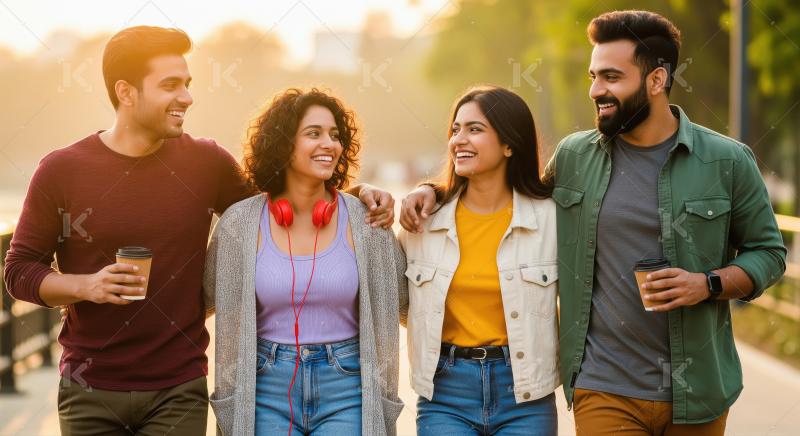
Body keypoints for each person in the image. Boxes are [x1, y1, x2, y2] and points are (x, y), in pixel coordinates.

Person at [401, 11, 786, 436]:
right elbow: (510, 191)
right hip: (604, 388)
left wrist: (708, 283)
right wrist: (433, 191)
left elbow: (768, 253)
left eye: (611, 77)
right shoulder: (574, 157)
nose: (596, 90)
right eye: (593, 76)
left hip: (697, 391)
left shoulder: (726, 161)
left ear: (656, 80)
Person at [3, 26, 394, 434]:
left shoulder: (205, 162)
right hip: (88, 388)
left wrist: (358, 192)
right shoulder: (61, 170)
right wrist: (86, 286)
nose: (186, 97)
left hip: (179, 388)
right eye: (171, 85)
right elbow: (18, 271)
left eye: (187, 84)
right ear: (126, 91)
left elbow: (283, 201)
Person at [204, 88, 407, 436]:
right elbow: (202, 300)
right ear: (283, 144)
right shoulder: (238, 224)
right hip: (263, 387)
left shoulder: (367, 219)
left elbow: (404, 302)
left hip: (348, 387)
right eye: (314, 133)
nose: (329, 144)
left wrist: (431, 193)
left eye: (335, 135)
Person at [399, 85, 558, 435]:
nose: (459, 139)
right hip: (445, 392)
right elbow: (402, 305)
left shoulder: (550, 221)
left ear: (509, 143)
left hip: (525, 393)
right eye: (455, 130)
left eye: (475, 129)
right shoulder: (422, 220)